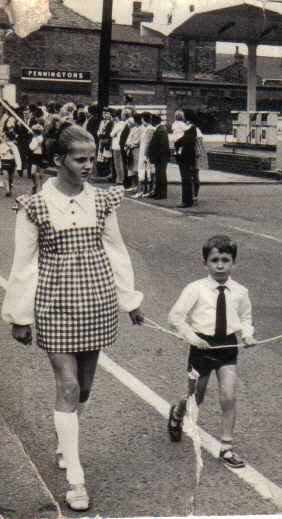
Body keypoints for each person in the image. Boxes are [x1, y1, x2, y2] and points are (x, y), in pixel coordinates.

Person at [1, 123, 144, 512]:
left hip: (96, 301)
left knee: (82, 388)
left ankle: (66, 440)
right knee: (66, 388)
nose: (89, 165)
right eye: (80, 159)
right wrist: (19, 316)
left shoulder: (102, 201)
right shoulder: (35, 206)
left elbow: (117, 250)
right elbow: (24, 263)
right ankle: (75, 479)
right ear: (58, 160)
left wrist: (130, 300)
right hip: (55, 302)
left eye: (91, 157)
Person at [166, 235, 257, 468]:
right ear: (205, 262)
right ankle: (177, 412)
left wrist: (247, 334)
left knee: (229, 395)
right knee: (197, 396)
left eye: (225, 260)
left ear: (233, 263)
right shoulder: (195, 288)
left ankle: (227, 446)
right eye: (214, 260)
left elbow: (245, 317)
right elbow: (175, 317)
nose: (219, 265)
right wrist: (193, 338)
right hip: (202, 347)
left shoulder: (240, 291)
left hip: (227, 346)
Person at [174, 117, 200, 208]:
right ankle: (187, 200)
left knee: (186, 179)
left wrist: (177, 143)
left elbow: (185, 140)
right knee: (186, 179)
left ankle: (186, 201)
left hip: (186, 157)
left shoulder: (191, 129)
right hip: (186, 157)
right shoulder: (189, 129)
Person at [147, 113, 170, 200]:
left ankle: (162, 193)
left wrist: (156, 156)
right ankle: (158, 192)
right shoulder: (160, 129)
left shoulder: (161, 130)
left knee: (161, 175)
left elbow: (162, 146)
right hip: (160, 157)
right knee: (159, 175)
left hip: (161, 157)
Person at [135, 113, 155, 198]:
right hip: (143, 151)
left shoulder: (150, 129)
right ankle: (144, 190)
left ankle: (144, 190)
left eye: (142, 119)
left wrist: (146, 155)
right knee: (143, 171)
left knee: (145, 171)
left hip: (145, 153)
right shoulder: (146, 129)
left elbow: (147, 143)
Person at [123, 112, 143, 193]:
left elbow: (138, 141)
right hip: (130, 150)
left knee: (136, 168)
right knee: (131, 168)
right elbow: (129, 138)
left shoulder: (141, 129)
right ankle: (133, 185)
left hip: (137, 149)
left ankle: (138, 186)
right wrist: (128, 144)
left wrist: (131, 144)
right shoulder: (133, 129)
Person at [0, 128, 22, 197]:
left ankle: (10, 187)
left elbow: (17, 156)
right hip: (4, 162)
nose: (4, 138)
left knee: (11, 178)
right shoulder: (1, 146)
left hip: (11, 162)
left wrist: (19, 166)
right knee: (5, 176)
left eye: (5, 137)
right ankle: (8, 190)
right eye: (3, 137)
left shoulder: (13, 146)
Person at [28, 123, 45, 193]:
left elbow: (33, 147)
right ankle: (35, 185)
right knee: (33, 172)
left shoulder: (40, 138)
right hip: (34, 156)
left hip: (41, 156)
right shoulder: (34, 138)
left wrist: (36, 142)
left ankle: (41, 188)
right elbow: (31, 147)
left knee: (40, 173)